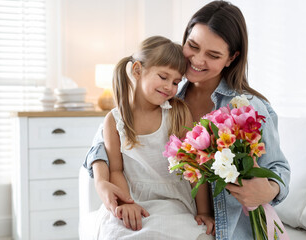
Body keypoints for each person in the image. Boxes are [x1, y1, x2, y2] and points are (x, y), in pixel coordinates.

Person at [83, 1, 290, 239]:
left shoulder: (247, 108)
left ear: (231, 58)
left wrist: (268, 190)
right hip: (171, 210)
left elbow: (278, 169)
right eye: (193, 46)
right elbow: (104, 142)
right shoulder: (167, 92)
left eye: (213, 55)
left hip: (224, 227)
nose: (198, 60)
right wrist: (101, 180)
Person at [84, 36, 215, 240]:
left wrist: (204, 212)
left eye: (175, 82)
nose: (169, 87)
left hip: (173, 201)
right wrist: (127, 203)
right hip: (134, 199)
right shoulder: (114, 120)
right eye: (163, 77)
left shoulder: (177, 113)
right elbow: (116, 169)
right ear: (137, 70)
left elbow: (194, 167)